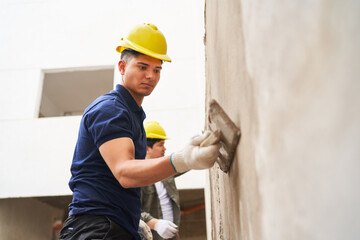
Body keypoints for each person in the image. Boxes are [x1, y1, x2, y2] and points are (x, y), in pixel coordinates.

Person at [59, 23, 221, 240]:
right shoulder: (111, 110)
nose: (150, 76)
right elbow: (124, 172)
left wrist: (134, 220)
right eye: (142, 67)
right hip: (96, 229)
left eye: (157, 70)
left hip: (113, 226)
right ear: (122, 67)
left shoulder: (132, 114)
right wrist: (183, 159)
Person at [141, 121, 181, 240]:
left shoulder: (164, 170)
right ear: (147, 149)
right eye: (160, 144)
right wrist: (156, 224)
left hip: (171, 235)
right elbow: (132, 212)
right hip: (152, 237)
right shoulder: (138, 178)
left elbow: (183, 164)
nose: (164, 148)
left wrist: (194, 150)